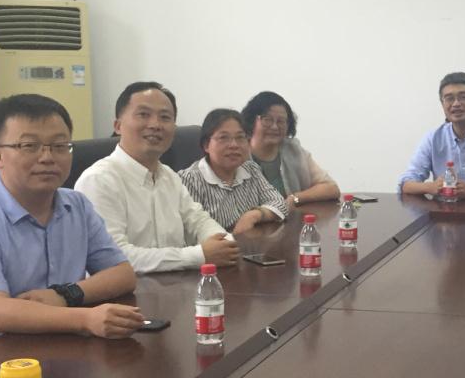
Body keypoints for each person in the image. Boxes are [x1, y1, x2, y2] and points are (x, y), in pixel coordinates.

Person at [0, 94, 142, 366]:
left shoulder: (77, 205)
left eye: (59, 146)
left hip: (45, 351)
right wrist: (86, 319)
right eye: (29, 146)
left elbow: (122, 274)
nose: (47, 157)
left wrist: (65, 295)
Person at [76, 82, 240, 273]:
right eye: (143, 114)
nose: (155, 125)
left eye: (165, 117)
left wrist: (223, 242)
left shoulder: (168, 176)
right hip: (125, 290)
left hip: (175, 284)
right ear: (118, 126)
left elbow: (198, 220)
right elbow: (114, 257)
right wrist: (199, 255)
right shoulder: (98, 180)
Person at [179, 109, 289, 233]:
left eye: (240, 137)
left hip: (252, 242)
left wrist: (254, 215)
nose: (234, 145)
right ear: (206, 145)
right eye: (223, 138)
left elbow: (280, 203)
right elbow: (192, 232)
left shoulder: (251, 169)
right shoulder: (189, 180)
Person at [242, 91, 340, 208]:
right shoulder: (238, 154)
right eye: (267, 119)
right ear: (252, 120)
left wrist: (295, 198)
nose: (275, 126)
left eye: (281, 121)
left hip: (292, 218)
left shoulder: (293, 151)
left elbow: (331, 188)